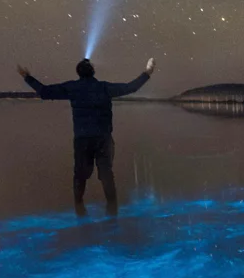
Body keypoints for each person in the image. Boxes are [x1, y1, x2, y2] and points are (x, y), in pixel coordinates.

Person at [16, 57, 156, 217]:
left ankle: (79, 206)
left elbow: (44, 92)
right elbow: (131, 87)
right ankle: (112, 209)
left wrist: (27, 76)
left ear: (79, 72)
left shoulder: (73, 87)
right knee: (106, 173)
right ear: (93, 71)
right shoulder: (104, 87)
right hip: (103, 138)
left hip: (83, 139)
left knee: (80, 174)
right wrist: (147, 72)